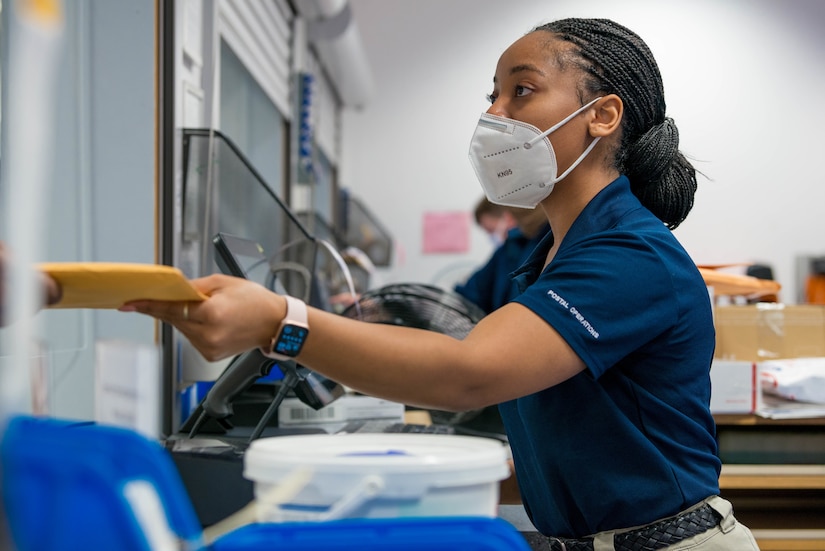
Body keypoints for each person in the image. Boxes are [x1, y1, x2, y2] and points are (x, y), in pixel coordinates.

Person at [122, 18, 759, 550]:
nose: (494, 114)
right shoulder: (555, 255)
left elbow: (469, 371)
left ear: (603, 116)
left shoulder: (629, 252)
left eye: (521, 91)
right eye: (493, 95)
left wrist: (279, 323)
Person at [455, 205, 549, 314]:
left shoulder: (536, 245)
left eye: (491, 230)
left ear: (508, 218)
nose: (491, 236)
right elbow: (476, 288)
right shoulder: (505, 250)